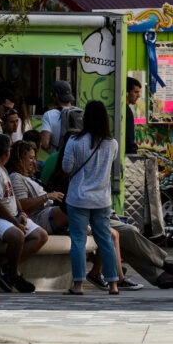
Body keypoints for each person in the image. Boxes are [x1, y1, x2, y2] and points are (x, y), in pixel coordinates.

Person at [63, 101, 120, 296]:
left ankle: (78, 285)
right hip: (101, 200)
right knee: (105, 240)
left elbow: (66, 167)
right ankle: (113, 284)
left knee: (78, 240)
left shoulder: (74, 141)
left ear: (85, 118)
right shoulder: (112, 144)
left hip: (77, 198)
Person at [0, 133, 48, 292]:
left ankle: (5, 268)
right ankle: (14, 275)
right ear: (6, 153)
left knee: (41, 236)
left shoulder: (0, 166)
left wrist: (21, 212)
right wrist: (15, 222)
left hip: (12, 214)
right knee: (17, 236)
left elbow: (11, 194)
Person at [39, 80, 75, 152]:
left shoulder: (49, 115)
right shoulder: (80, 112)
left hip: (58, 159)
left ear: (56, 95)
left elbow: (45, 144)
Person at [125, 77, 141, 154]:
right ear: (127, 92)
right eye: (136, 92)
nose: (139, 95)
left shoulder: (124, 109)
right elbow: (128, 138)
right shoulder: (126, 111)